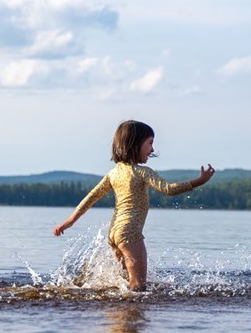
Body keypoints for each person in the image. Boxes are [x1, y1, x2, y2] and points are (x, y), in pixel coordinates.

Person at [53, 120, 215, 291]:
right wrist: (199, 181)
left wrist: (68, 222)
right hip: (130, 233)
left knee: (126, 285)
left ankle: (118, 315)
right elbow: (168, 190)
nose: (152, 150)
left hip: (114, 233)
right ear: (135, 144)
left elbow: (90, 199)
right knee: (139, 287)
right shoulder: (143, 172)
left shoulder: (113, 173)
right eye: (150, 143)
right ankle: (131, 316)